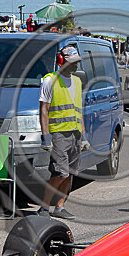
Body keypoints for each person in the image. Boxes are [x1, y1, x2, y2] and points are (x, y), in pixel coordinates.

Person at [38, 46, 91, 219]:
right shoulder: (50, 81)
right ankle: (44, 207)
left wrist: (83, 136)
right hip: (59, 134)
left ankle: (60, 206)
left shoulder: (77, 81)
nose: (75, 65)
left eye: (77, 62)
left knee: (71, 172)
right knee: (60, 172)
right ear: (61, 61)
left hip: (75, 133)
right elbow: (44, 110)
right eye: (71, 62)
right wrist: (46, 138)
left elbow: (78, 109)